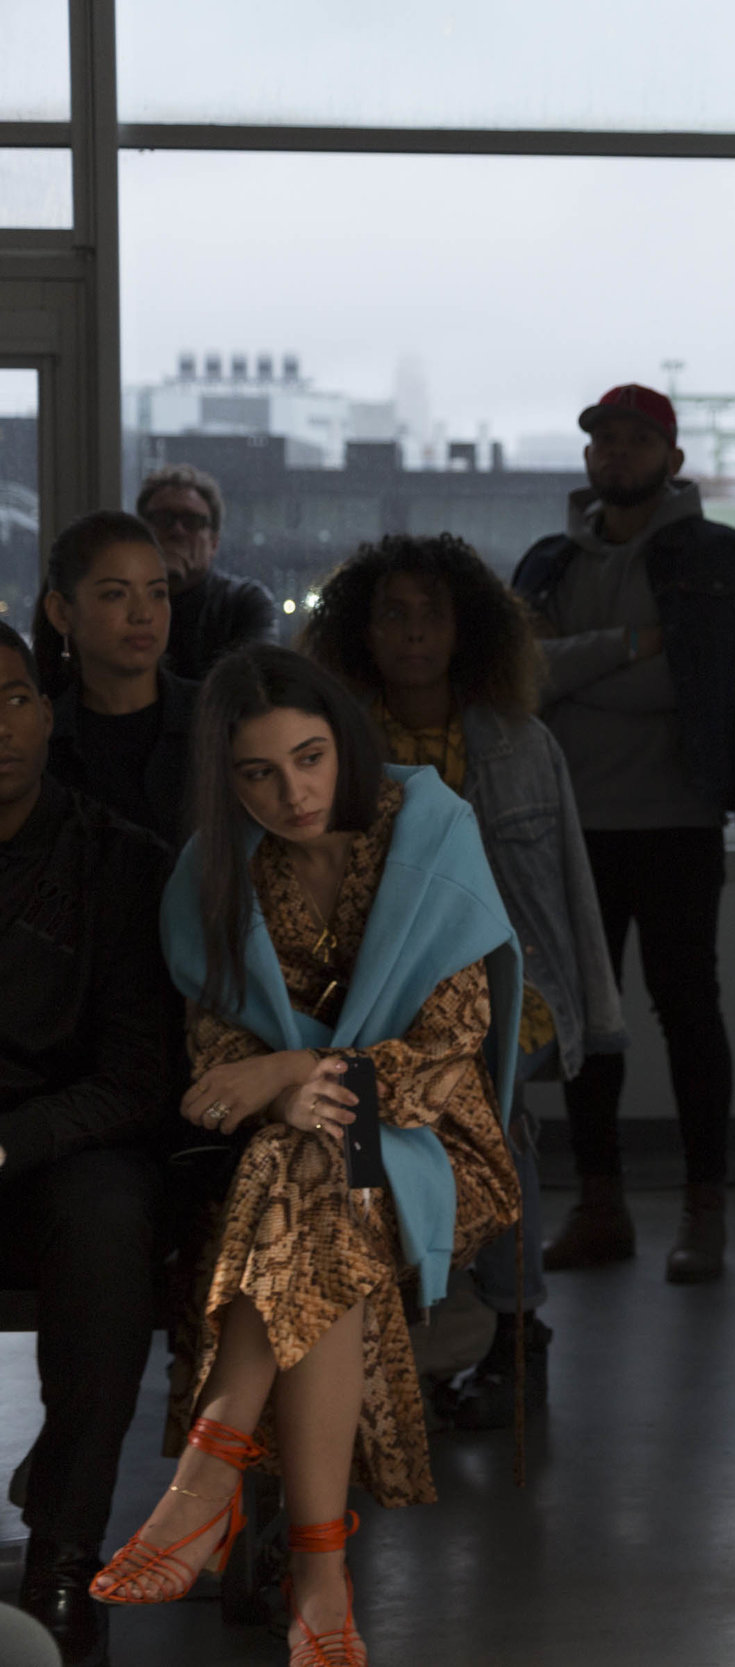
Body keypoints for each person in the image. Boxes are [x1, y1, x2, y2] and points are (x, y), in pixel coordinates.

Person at [92, 647, 522, 1667]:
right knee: (319, 1175)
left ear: (345, 743)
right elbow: (215, 1070)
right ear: (226, 779)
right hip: (300, 1159)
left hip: (434, 1138)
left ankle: (207, 1487)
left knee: (314, 1156)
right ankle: (320, 1579)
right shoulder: (217, 869)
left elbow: (443, 1056)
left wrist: (291, 1067)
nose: (292, 791)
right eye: (258, 773)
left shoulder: (430, 828)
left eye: (311, 756)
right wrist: (278, 1084)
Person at [301, 532, 626, 1429]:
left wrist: (593, 1013)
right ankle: (389, 1344)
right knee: (367, 1153)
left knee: (494, 1144)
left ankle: (518, 1340)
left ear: (465, 629)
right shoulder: (333, 745)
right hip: (376, 995)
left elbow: (566, 882)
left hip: (499, 993)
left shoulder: (520, 744)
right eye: (393, 615)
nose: (413, 635)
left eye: (432, 615)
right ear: (362, 632)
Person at [510, 382, 735, 1285]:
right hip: (572, 826)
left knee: (686, 1013)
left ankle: (701, 1212)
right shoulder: (547, 564)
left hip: (677, 820)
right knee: (588, 1025)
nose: (617, 455)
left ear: (672, 459)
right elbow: (524, 680)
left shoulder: (719, 556)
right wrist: (631, 646)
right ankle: (601, 1209)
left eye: (637, 441)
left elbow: (720, 684)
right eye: (603, 441)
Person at [0, 620, 183, 1667]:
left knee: (112, 1215)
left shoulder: (117, 859)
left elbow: (137, 1079)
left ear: (45, 709)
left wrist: (10, 1144)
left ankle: (63, 1562)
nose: (2, 725)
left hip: (65, 1151)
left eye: (19, 697)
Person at [36, 509, 198, 844]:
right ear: (61, 612)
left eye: (157, 592)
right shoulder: (43, 742)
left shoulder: (214, 718)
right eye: (116, 594)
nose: (143, 614)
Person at [134, 462, 279, 681]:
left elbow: (253, 689)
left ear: (214, 542)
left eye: (192, 521)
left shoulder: (244, 602)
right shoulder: (117, 600)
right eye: (163, 519)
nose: (177, 531)